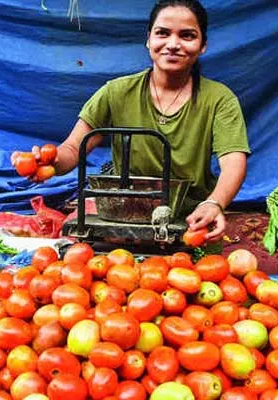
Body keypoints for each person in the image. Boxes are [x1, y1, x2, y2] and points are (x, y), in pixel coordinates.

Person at [51, 0, 250, 243]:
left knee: (202, 276)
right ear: (148, 39)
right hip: (122, 217)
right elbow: (73, 149)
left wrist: (213, 203)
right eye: (163, 33)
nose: (173, 44)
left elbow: (233, 162)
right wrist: (49, 161)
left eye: (187, 36)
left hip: (189, 220)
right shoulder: (116, 92)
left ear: (203, 45)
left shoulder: (219, 99)